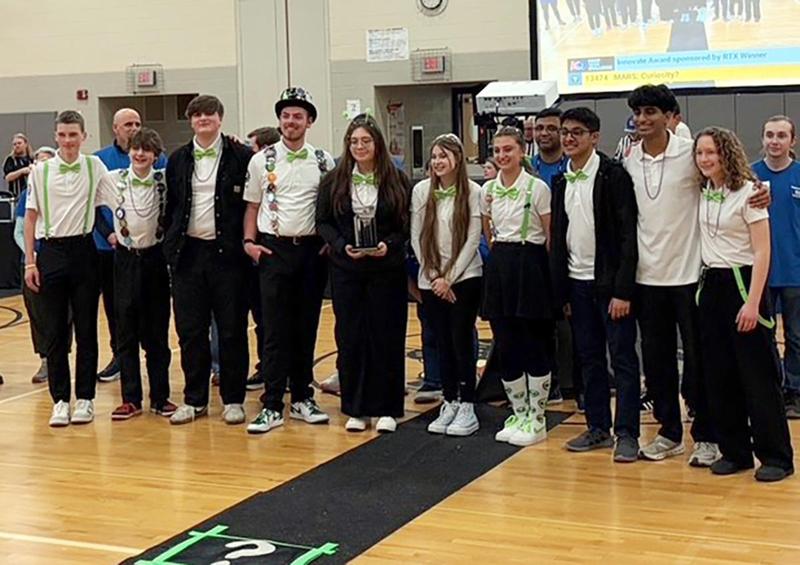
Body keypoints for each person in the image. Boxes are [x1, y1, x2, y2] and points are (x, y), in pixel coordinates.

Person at [622, 84, 721, 466]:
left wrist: (760, 192)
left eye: (650, 112)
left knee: (698, 360)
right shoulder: (630, 159)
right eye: (638, 113)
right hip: (648, 279)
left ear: (669, 116)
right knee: (657, 359)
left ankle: (707, 435)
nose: (643, 120)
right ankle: (669, 432)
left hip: (690, 276)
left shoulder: (690, 153)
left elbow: (726, 180)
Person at [694, 127, 793, 482]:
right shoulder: (704, 191)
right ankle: (734, 451)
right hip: (711, 286)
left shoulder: (750, 193)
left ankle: (776, 456)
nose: (705, 159)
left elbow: (762, 250)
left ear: (726, 154)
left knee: (758, 375)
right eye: (700, 153)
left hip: (743, 282)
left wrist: (753, 303)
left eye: (712, 153)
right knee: (720, 376)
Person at [550, 108, 641, 462]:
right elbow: (559, 238)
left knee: (622, 360)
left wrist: (622, 290)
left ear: (594, 137)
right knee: (588, 360)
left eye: (576, 132)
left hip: (609, 287)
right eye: (565, 132)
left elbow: (627, 236)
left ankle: (628, 433)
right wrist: (563, 293)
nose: (568, 138)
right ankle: (598, 427)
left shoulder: (613, 175)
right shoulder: (561, 180)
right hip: (577, 285)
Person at [243, 87, 334, 435]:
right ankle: (271, 405)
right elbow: (252, 205)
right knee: (274, 328)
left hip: (312, 252)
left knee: (306, 326)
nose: (291, 121)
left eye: (298, 116)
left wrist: (328, 242)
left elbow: (333, 207)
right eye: (286, 115)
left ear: (309, 121)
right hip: (273, 250)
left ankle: (302, 398)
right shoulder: (261, 160)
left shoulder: (324, 160)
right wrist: (249, 242)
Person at [316, 113, 411, 432]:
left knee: (387, 335)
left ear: (377, 144)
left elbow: (405, 226)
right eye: (354, 141)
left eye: (365, 141)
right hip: (347, 270)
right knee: (351, 337)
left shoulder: (396, 180)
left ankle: (387, 407)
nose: (359, 146)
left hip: (387, 270)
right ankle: (356, 407)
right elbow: (323, 223)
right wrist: (342, 246)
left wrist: (388, 245)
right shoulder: (333, 180)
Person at [163, 94, 254, 425]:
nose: (203, 119)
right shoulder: (177, 159)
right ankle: (194, 399)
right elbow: (171, 206)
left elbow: (250, 204)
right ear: (191, 121)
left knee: (231, 329)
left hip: (228, 257)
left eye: (209, 114)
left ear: (220, 118)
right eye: (197, 115)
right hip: (188, 256)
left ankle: (233, 398)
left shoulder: (241, 156)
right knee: (190, 331)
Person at [24, 111, 108, 427]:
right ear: (56, 136)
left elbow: (116, 196)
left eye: (74, 134)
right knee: (55, 331)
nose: (68, 140)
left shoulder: (94, 166)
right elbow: (31, 217)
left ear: (83, 136)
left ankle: (85, 399)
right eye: (63, 135)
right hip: (52, 253)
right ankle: (60, 400)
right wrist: (31, 261)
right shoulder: (40, 171)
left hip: (84, 250)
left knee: (87, 329)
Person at [480, 126, 553, 447]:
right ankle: (519, 411)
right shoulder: (488, 190)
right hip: (501, 265)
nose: (502, 156)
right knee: (506, 342)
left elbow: (550, 238)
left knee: (533, 342)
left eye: (508, 149)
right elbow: (487, 233)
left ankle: (537, 417)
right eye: (497, 150)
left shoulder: (537, 188)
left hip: (531, 264)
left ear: (522, 151)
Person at [96, 128, 176, 420]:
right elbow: (90, 207)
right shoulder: (112, 180)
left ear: (156, 155)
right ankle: (131, 399)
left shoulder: (164, 181)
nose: (140, 154)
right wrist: (108, 234)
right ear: (129, 151)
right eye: (136, 149)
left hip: (155, 260)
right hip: (125, 260)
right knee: (126, 332)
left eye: (147, 150)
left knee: (157, 333)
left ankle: (161, 397)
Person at [411, 134, 483, 436]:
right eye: (435, 156)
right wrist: (433, 274)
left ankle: (467, 403)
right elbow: (416, 236)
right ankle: (449, 398)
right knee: (440, 340)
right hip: (431, 278)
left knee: (460, 340)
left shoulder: (473, 192)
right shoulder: (421, 191)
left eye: (445, 155)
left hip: (464, 278)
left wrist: (449, 277)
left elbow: (472, 238)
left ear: (458, 159)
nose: (439, 161)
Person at [752, 115, 800, 419]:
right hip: (762, 273)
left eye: (782, 135)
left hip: (796, 272)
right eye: (770, 134)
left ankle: (794, 391)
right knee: (763, 336)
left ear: (792, 141)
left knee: (796, 337)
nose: (775, 141)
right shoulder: (750, 176)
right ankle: (769, 389)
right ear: (763, 139)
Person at [241, 126, 281, 391]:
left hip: (277, 252)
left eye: (252, 147)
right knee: (261, 320)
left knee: (272, 320)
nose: (248, 153)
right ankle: (266, 369)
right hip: (253, 257)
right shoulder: (254, 171)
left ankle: (278, 371)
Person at [14, 147, 56, 384]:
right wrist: (33, 256)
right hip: (33, 263)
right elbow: (19, 232)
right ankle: (45, 360)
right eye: (38, 163)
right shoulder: (26, 196)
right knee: (38, 314)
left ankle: (62, 357)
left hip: (59, 259)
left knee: (64, 313)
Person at [532, 108, 569, 188]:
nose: (544, 133)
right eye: (539, 128)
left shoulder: (572, 166)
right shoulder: (528, 166)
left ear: (563, 132)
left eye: (551, 128)